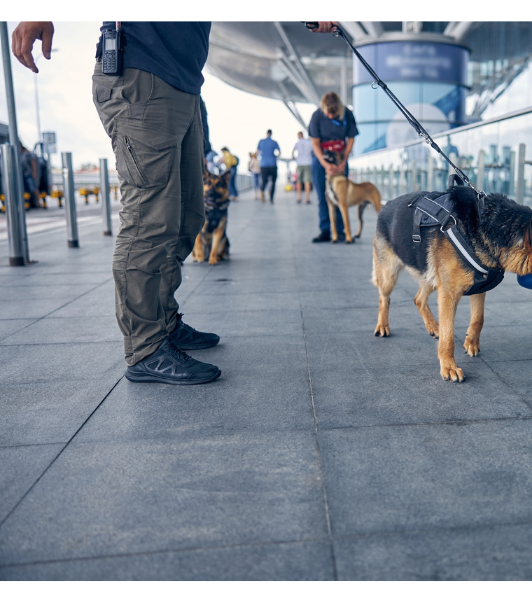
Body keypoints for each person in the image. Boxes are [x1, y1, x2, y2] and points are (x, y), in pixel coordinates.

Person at [11, 21, 338, 385]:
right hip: (142, 74)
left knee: (187, 217)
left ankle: (164, 323)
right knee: (149, 221)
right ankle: (146, 348)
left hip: (183, 85)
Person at [308, 92, 358, 242]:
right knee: (323, 195)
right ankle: (325, 230)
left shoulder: (347, 114)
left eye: (334, 114)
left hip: (340, 158)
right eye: (328, 114)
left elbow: (351, 139)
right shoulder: (316, 116)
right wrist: (325, 164)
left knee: (341, 197)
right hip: (320, 160)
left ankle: (341, 231)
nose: (330, 117)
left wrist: (343, 161)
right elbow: (315, 143)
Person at [257, 129, 281, 203]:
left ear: (266, 133)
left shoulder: (261, 142)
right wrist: (275, 157)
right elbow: (279, 152)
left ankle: (262, 192)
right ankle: (271, 198)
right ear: (271, 134)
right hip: (273, 164)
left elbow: (257, 152)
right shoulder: (274, 142)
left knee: (264, 180)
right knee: (273, 182)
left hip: (264, 164)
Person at [292, 131, 313, 204]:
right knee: (307, 181)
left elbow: (293, 152)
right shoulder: (309, 143)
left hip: (300, 163)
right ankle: (307, 198)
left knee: (299, 181)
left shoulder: (297, 143)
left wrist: (295, 158)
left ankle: (299, 197)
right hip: (308, 163)